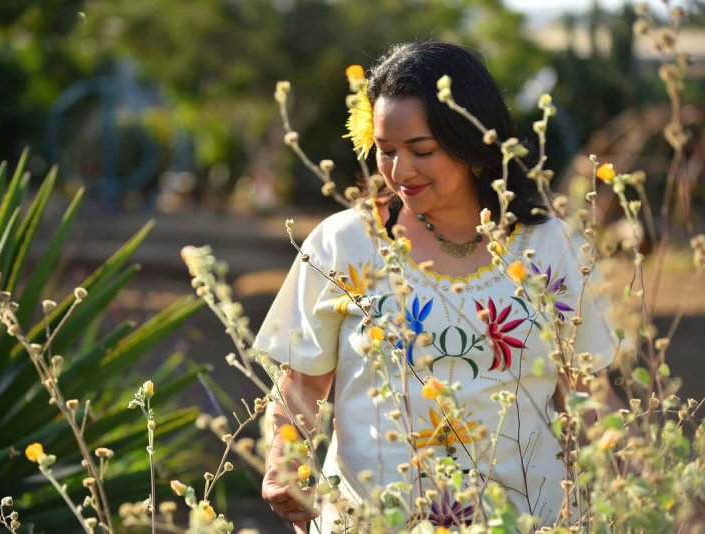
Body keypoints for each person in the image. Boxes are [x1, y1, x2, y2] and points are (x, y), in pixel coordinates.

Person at [256, 41, 617, 532]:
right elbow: (300, 387)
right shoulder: (344, 245)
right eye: (385, 152)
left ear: (472, 140)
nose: (400, 172)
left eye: (421, 150)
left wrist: (646, 488)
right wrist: (285, 462)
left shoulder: (552, 249)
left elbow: (587, 396)